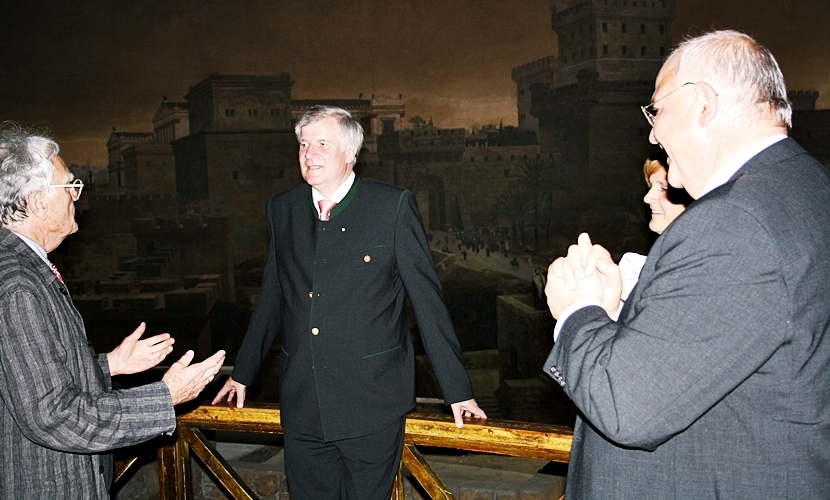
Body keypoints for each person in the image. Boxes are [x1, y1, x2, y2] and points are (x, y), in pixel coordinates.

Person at [543, 30, 830, 499]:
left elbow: (627, 405)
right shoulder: (803, 185)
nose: (653, 134)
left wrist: (579, 311)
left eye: (656, 111)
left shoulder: (733, 222)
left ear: (702, 104)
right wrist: (624, 313)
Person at [213, 106, 486, 499]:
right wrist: (243, 373)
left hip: (371, 405)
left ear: (350, 154)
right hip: (302, 403)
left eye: (322, 143)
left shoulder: (391, 207)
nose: (309, 153)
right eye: (304, 144)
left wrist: (457, 390)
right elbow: (274, 297)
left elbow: (428, 303)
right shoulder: (283, 209)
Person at [0, 125, 226, 498]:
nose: (77, 197)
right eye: (70, 187)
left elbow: (27, 380)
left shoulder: (22, 268)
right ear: (38, 202)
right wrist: (165, 396)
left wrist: (109, 366)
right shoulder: (18, 286)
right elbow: (54, 417)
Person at [616, 150, 691, 316]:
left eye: (663, 188)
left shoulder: (686, 276)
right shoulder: (651, 267)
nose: (647, 197)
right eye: (651, 186)